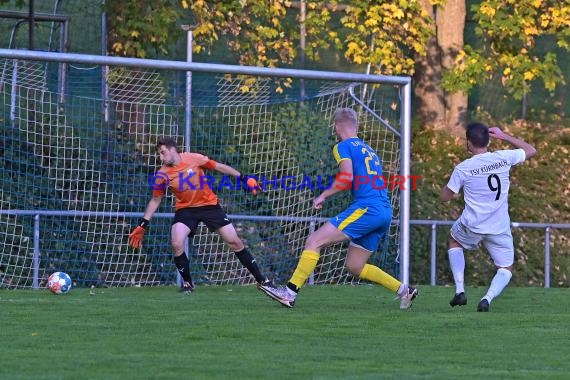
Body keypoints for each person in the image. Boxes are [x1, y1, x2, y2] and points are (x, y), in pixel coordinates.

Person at [258, 107, 418, 309]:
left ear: (336, 126)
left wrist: (323, 195)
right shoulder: (369, 149)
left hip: (367, 208)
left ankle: (289, 293)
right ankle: (405, 290)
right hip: (384, 211)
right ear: (356, 126)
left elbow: (346, 178)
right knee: (354, 266)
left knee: (314, 240)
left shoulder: (342, 146)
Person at [128, 137, 275, 293]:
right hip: (185, 210)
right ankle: (188, 284)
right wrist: (143, 224)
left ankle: (262, 281)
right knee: (177, 242)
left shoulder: (194, 158)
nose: (161, 157)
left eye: (163, 153)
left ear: (173, 150)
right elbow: (156, 199)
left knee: (235, 242)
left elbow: (218, 166)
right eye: (159, 154)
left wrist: (243, 177)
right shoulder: (162, 174)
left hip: (209, 206)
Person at [441, 123, 536, 312]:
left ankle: (460, 290)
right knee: (505, 267)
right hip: (499, 227)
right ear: (489, 140)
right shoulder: (503, 157)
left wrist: (449, 189)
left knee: (454, 241)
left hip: (472, 225)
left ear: (468, 142)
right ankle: (487, 298)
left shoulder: (463, 168)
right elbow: (531, 150)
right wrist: (504, 136)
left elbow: (445, 198)